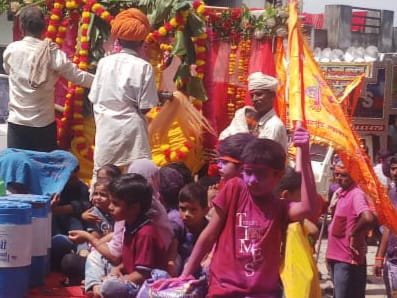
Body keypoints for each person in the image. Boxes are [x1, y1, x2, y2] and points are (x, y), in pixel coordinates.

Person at [176, 125, 317, 296]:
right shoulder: (235, 189)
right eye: (248, 172)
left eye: (261, 174)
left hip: (262, 293)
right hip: (224, 289)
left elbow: (308, 207)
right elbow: (209, 234)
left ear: (278, 176)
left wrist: (305, 155)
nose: (252, 180)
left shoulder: (279, 208)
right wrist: (185, 275)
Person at [3, 6, 94, 152]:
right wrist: (103, 80)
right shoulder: (53, 53)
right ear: (44, 27)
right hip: (43, 125)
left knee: (16, 169)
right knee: (44, 169)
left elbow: (8, 70)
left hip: (17, 124)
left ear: (21, 26)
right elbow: (78, 77)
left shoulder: (12, 50)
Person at [88, 8, 159, 181]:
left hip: (107, 129)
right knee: (135, 179)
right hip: (132, 132)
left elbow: (94, 97)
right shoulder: (144, 67)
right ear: (142, 41)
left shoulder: (104, 63)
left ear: (118, 39)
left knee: (102, 177)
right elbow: (146, 107)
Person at [326, 160, 375, 298]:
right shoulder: (340, 193)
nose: (339, 178)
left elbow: (368, 217)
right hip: (336, 257)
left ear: (353, 176)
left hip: (347, 258)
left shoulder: (356, 194)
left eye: (344, 175)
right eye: (337, 175)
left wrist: (354, 234)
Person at [62, 179, 115, 285]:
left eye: (103, 195)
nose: (98, 198)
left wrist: (111, 235)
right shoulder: (93, 213)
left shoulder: (118, 212)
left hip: (113, 257)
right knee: (69, 260)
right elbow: (94, 240)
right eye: (95, 194)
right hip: (97, 253)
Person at [219, 72, 287, 151]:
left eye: (259, 94)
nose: (254, 99)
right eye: (252, 95)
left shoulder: (274, 125)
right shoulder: (245, 117)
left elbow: (260, 157)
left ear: (272, 95)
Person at [167, 182, 209, 277]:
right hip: (180, 270)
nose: (186, 214)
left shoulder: (209, 229)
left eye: (193, 210)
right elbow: (172, 255)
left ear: (205, 211)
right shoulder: (178, 227)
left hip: (200, 268)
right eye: (183, 209)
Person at [374, 153, 397, 297]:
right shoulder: (392, 193)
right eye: (393, 169)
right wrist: (379, 257)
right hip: (393, 259)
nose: (395, 173)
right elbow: (388, 227)